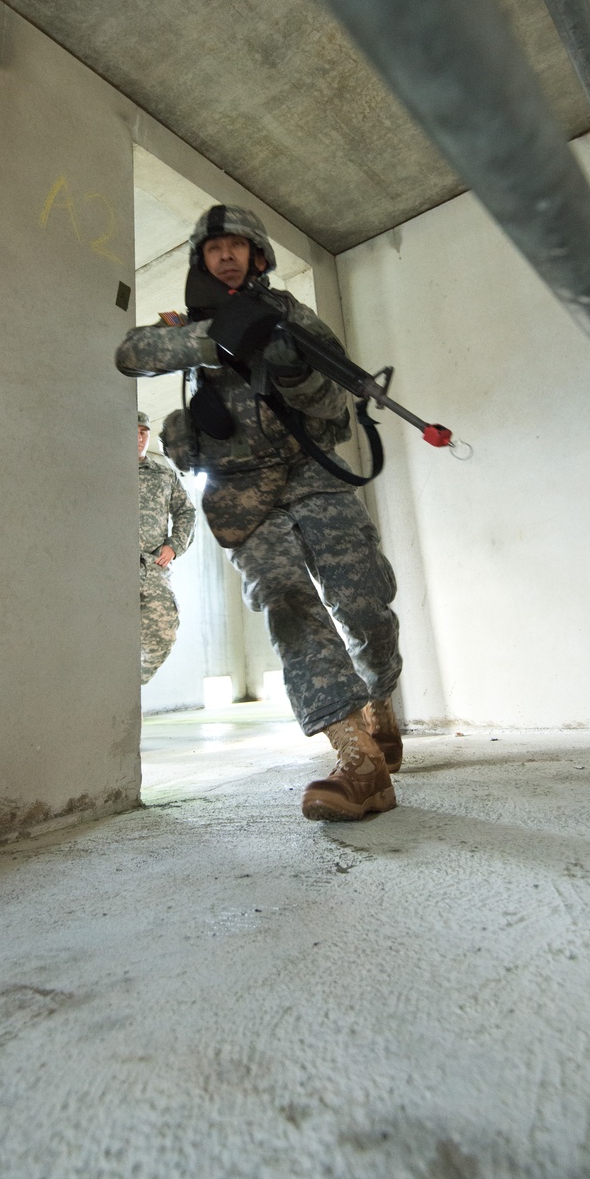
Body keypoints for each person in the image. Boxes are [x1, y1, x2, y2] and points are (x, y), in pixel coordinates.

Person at [116, 206, 403, 821]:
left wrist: (292, 367)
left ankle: (379, 703)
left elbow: (337, 409)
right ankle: (356, 757)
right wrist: (218, 336)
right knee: (288, 605)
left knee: (364, 607)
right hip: (243, 494)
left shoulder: (294, 316)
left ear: (258, 256)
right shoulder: (190, 326)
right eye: (213, 247)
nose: (225, 254)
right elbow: (130, 353)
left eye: (237, 246)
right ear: (201, 259)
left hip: (314, 478)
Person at [137, 410, 196, 686]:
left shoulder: (163, 474)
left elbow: (186, 511)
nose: (138, 438)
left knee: (163, 633)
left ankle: (130, 686)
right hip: (107, 568)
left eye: (143, 433)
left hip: (151, 566)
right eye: (133, 432)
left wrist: (174, 546)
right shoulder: (103, 471)